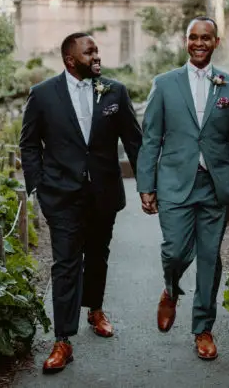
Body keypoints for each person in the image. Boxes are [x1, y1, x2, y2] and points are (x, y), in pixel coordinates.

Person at [19, 32, 143, 373]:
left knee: (98, 255)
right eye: (89, 52)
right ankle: (63, 340)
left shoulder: (114, 91)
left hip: (104, 191)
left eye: (97, 50)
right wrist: (38, 186)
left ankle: (96, 309)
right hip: (61, 195)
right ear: (70, 60)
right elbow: (29, 144)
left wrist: (148, 185)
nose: (96, 56)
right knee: (65, 263)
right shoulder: (43, 95)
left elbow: (134, 140)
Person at [135, 16, 229, 361]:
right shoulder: (165, 83)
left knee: (208, 258)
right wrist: (146, 184)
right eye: (193, 37)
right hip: (173, 182)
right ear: (185, 41)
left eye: (206, 38)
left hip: (216, 186)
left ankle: (202, 329)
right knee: (174, 251)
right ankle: (170, 291)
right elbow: (151, 139)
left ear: (216, 42)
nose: (199, 43)